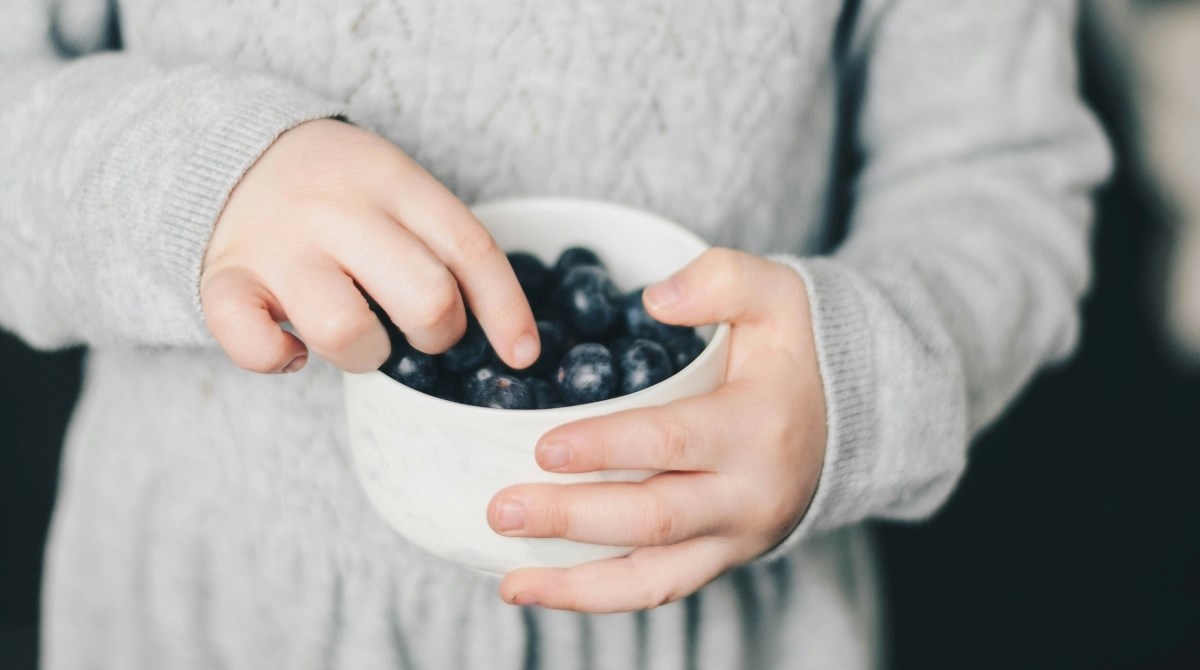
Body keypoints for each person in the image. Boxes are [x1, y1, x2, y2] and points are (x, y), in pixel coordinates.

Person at [0, 0, 1111, 668]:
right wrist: (189, 181)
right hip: (209, 619)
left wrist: (855, 382)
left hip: (719, 635)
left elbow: (1000, 178)